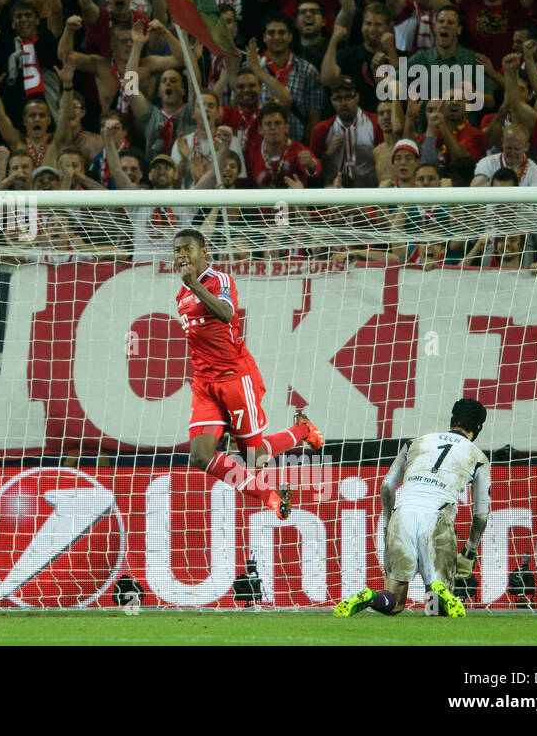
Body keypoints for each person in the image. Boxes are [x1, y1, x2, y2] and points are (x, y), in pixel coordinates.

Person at [173, 228, 324, 520]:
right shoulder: (181, 292)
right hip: (205, 384)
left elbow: (227, 314)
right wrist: (190, 286)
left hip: (235, 379)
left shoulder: (219, 280)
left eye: (187, 249)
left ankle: (303, 429)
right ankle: (270, 496)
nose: (181, 255)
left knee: (255, 458)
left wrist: (195, 285)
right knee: (200, 456)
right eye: (177, 250)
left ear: (203, 252)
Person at [335, 398, 491, 618]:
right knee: (435, 609)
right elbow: (481, 515)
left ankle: (371, 596)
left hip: (402, 514)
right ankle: (438, 592)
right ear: (478, 427)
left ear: (452, 419)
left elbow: (387, 486)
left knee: (394, 601)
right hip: (437, 517)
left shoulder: (415, 442)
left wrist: (389, 524)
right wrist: (470, 551)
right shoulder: (478, 457)